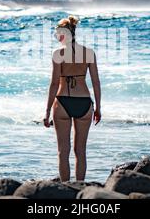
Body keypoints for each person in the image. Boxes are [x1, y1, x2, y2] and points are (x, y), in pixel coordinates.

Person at [44, 15, 101, 182]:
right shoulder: (89, 53)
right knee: (80, 151)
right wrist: (98, 108)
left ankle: (65, 189)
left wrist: (47, 111)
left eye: (57, 34)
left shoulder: (58, 54)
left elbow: (54, 84)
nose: (57, 37)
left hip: (62, 102)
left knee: (63, 151)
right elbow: (96, 83)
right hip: (84, 103)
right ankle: (81, 189)